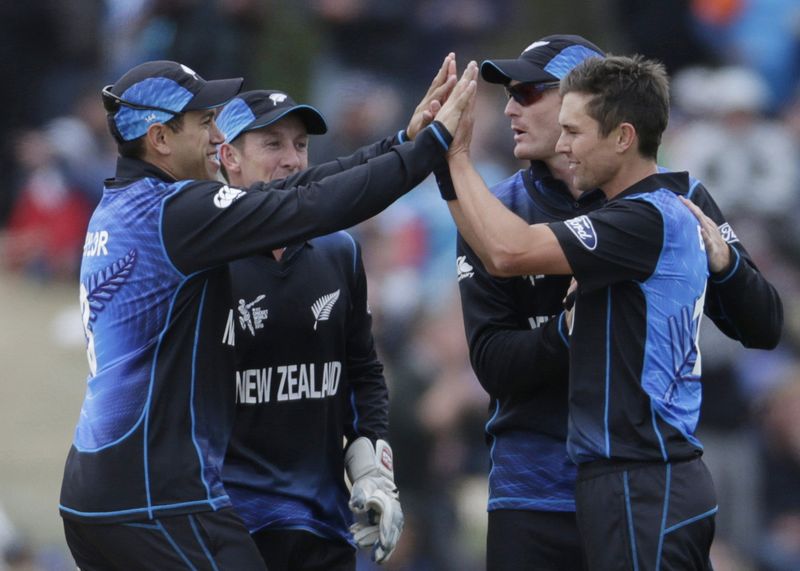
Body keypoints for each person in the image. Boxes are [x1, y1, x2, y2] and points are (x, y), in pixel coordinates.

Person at [59, 58, 473, 570]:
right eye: (203, 122)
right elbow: (313, 208)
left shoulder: (129, 204)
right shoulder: (176, 213)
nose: (215, 135)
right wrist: (431, 146)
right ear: (160, 137)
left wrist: (401, 143)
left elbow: (292, 195)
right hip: (156, 498)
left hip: (102, 493)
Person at [441, 37, 782, 570]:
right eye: (508, 94)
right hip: (535, 490)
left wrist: (728, 265)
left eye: (529, 92)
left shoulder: (668, 201)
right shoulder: (493, 210)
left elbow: (763, 325)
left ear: (589, 100)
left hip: (636, 479)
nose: (509, 108)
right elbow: (494, 365)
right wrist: (569, 330)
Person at [215, 90, 401, 570]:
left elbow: (361, 370)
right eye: (273, 145)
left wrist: (372, 468)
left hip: (321, 521)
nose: (292, 160)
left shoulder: (340, 250)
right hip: (228, 523)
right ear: (228, 156)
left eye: (300, 145)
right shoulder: (203, 258)